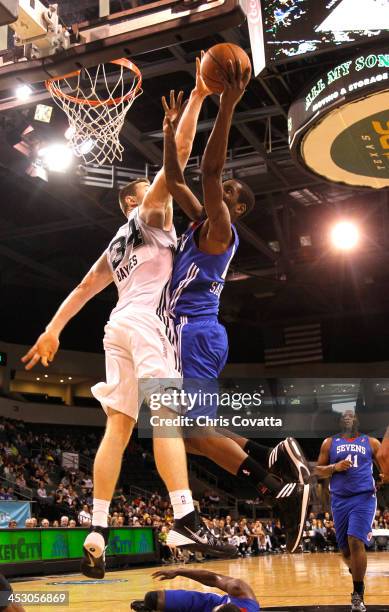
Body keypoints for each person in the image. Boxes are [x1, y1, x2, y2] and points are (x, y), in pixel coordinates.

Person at [21, 59, 234, 580]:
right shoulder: (150, 216)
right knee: (165, 417)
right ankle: (184, 513)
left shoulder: (113, 246)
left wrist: (52, 329)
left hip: (114, 326)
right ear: (136, 202)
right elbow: (180, 158)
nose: (157, 187)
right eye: (150, 187)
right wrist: (202, 98)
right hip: (143, 323)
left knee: (117, 428)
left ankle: (96, 527)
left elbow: (80, 290)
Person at [162, 58, 310, 553]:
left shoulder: (221, 227)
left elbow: (206, 169)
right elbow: (174, 175)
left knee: (188, 432)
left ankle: (280, 488)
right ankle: (274, 465)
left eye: (225, 193)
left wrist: (227, 101)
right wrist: (169, 132)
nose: (215, 192)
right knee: (189, 435)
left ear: (238, 208)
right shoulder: (200, 224)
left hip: (193, 331)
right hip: (196, 334)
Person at [315, 410, 383, 612]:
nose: (347, 417)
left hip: (363, 497)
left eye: (351, 415)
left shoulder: (371, 442)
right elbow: (317, 471)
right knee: (345, 550)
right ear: (339, 422)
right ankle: (357, 572)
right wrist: (334, 467)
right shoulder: (329, 443)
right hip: (339, 500)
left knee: (355, 541)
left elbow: (385, 468)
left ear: (357, 421)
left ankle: (358, 595)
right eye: (344, 416)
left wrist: (383, 477)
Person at [131, 568, 259, 611]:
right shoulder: (241, 591)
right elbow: (213, 578)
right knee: (152, 599)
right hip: (209, 602)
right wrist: (178, 571)